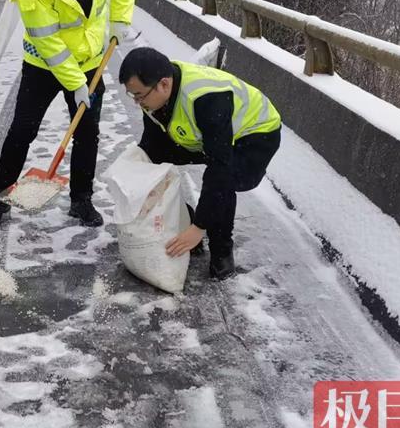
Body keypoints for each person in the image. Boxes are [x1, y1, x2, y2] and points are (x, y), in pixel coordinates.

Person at [0, 0, 136, 229]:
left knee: (87, 133)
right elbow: (51, 47)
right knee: (22, 131)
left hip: (90, 62)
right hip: (43, 67)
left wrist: (120, 20)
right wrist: (78, 84)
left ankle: (81, 200)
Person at [118, 46, 281, 280]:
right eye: (132, 96)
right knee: (151, 158)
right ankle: (183, 220)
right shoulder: (153, 93)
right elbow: (152, 144)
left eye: (139, 96)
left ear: (164, 84)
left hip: (255, 135)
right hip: (206, 136)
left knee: (225, 182)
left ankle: (221, 250)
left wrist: (199, 227)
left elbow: (219, 169)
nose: (137, 103)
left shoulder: (206, 99)